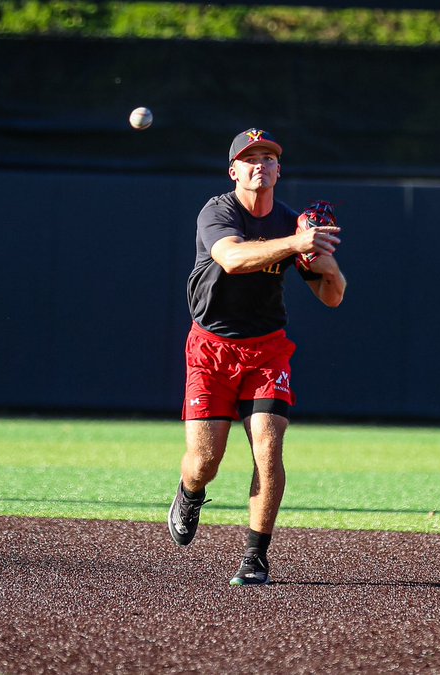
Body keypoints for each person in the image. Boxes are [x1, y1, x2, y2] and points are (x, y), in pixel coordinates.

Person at [168, 128, 347, 586]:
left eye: (268, 158)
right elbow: (231, 258)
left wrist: (327, 264)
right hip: (211, 347)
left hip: (267, 349)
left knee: (268, 446)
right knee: (205, 460)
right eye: (250, 159)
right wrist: (297, 244)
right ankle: (190, 492)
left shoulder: (292, 223)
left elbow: (333, 297)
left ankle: (255, 556)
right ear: (233, 171)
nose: (259, 165)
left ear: (278, 170)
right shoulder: (217, 211)